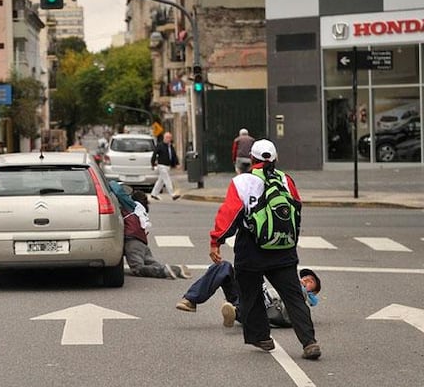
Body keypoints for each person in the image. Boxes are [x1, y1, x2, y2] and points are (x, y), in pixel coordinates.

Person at [208, 139, 321, 360]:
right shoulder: (286, 180)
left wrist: (216, 241)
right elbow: (296, 210)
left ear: (252, 159)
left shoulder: (242, 181)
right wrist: (289, 241)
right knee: (294, 296)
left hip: (251, 248)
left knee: (250, 293)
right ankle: (309, 342)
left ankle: (262, 337)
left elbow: (230, 213)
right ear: (275, 159)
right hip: (283, 247)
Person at [175, 261, 322, 329]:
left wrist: (300, 292)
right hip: (248, 294)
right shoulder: (284, 285)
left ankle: (235, 311)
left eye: (310, 282)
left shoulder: (301, 305)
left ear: (313, 292)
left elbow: (285, 318)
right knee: (223, 267)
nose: (304, 281)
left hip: (258, 309)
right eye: (304, 278)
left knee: (254, 295)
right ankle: (190, 300)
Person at [110, 181, 190, 279]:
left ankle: (163, 272)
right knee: (151, 262)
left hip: (131, 241)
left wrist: (109, 182)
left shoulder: (132, 206)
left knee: (137, 268)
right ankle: (176, 269)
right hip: (142, 242)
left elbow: (118, 191)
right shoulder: (142, 210)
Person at [150, 131, 180, 201]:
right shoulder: (160, 145)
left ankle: (154, 193)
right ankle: (172, 194)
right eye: (167, 137)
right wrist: (152, 163)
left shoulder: (170, 146)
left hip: (167, 166)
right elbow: (154, 154)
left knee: (161, 180)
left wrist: (176, 163)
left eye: (169, 138)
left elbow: (173, 155)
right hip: (162, 165)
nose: (168, 139)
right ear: (164, 138)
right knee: (167, 179)